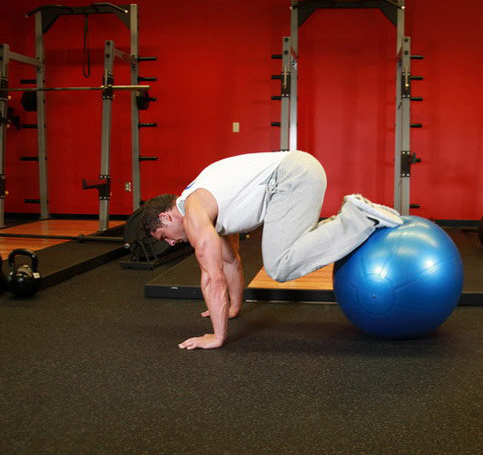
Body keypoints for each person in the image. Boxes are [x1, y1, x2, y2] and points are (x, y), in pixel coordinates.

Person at [141, 150, 402, 350]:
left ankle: (357, 217)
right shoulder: (203, 201)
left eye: (164, 236)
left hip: (291, 177)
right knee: (285, 254)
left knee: (280, 265)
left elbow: (213, 277)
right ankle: (354, 215)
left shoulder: (194, 214)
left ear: (166, 217)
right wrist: (232, 308)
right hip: (301, 168)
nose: (171, 243)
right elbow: (231, 262)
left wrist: (217, 336)